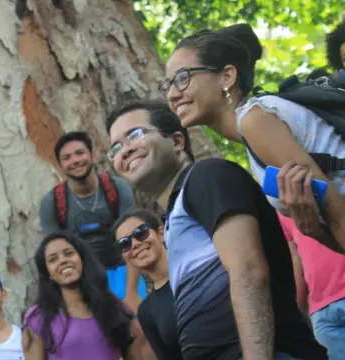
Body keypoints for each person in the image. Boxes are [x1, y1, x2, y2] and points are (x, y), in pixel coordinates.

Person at [105, 99, 327, 359]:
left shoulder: (205, 177)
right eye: (116, 148)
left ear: (177, 141)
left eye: (135, 135)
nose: (125, 151)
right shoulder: (174, 220)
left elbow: (247, 270)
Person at [161, 23, 345, 252]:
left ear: (227, 77)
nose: (172, 94)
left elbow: (338, 213)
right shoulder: (252, 132)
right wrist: (313, 230)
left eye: (183, 78)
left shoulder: (254, 120)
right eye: (167, 85)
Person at [39, 131, 145, 301]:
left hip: (123, 272)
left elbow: (133, 242)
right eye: (67, 158)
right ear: (60, 165)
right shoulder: (52, 202)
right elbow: (53, 254)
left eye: (80, 153)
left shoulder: (117, 188)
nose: (75, 161)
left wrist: (131, 292)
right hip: (80, 281)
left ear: (92, 154)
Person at [21, 231, 142, 360]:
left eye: (69, 253)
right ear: (48, 273)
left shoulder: (115, 308)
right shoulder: (38, 317)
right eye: (53, 259)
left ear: (82, 260)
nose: (63, 261)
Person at [113, 210, 181, 360]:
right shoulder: (146, 311)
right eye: (125, 243)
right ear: (124, 256)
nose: (135, 244)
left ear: (161, 233)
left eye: (141, 233)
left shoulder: (197, 271)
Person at [277, 211, 345, 359]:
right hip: (320, 310)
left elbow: (295, 261)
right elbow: (295, 260)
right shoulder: (280, 209)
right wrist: (300, 306)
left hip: (321, 309)